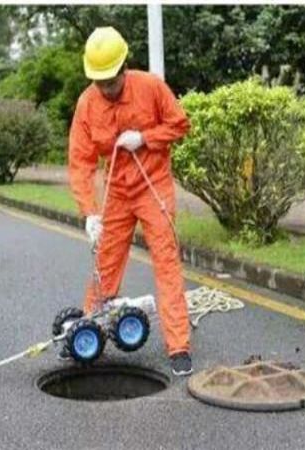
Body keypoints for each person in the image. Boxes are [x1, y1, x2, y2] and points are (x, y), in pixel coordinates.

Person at [68, 27, 193, 376]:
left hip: (153, 186)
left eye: (111, 80)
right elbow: (80, 161)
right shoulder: (87, 103)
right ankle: (87, 333)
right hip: (117, 193)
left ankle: (179, 345)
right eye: (99, 81)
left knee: (166, 263)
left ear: (124, 67)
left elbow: (180, 125)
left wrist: (147, 137)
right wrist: (89, 212)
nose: (106, 88)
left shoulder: (150, 87)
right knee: (104, 265)